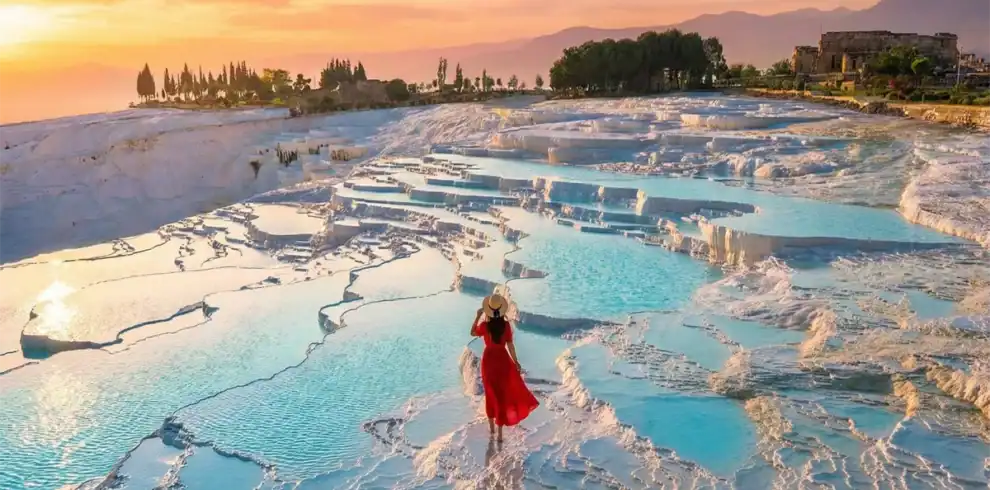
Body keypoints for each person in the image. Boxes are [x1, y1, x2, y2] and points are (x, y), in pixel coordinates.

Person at [470, 294, 539, 442]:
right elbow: (510, 345)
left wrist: (477, 316)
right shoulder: (506, 326)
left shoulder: (484, 326)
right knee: (501, 395)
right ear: (501, 310)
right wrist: (516, 361)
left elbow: (472, 332)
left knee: (490, 393)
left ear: (488, 310)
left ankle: (492, 429)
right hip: (503, 360)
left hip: (488, 361)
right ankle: (500, 433)